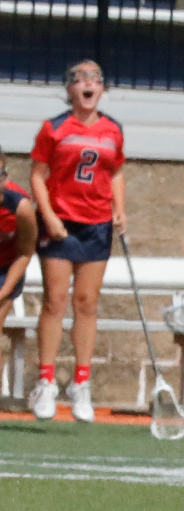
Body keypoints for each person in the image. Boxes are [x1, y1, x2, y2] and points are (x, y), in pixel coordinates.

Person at [28, 60, 124, 423]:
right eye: (80, 79)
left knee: (87, 302)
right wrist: (49, 216)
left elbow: (116, 172)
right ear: (70, 89)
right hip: (61, 222)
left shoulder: (113, 130)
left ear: (102, 89)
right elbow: (37, 175)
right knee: (55, 300)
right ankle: (46, 381)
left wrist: (119, 209)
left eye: (95, 79)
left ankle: (81, 383)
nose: (88, 84)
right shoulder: (53, 128)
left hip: (96, 224)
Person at [0, 148, 38, 316]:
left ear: (6, 177)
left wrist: (3, 291)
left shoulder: (20, 207)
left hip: (5, 268)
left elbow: (25, 253)